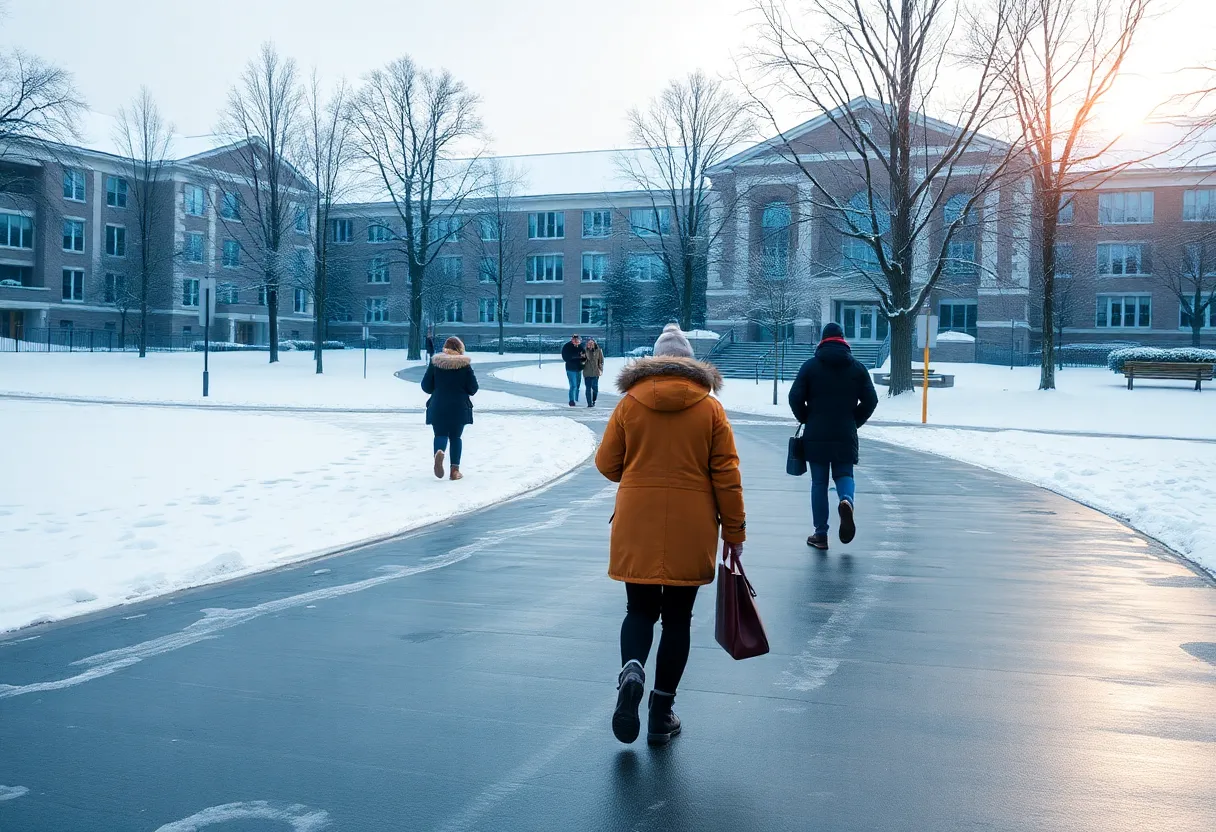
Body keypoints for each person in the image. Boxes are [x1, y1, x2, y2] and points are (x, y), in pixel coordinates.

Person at [596, 323, 746, 746]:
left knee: (639, 611)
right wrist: (734, 532)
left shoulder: (629, 405)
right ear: (691, 364)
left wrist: (639, 470)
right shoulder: (711, 409)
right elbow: (727, 476)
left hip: (637, 523)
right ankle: (661, 713)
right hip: (692, 526)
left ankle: (631, 670)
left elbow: (607, 464)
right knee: (678, 619)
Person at [788, 322, 878, 550]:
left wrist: (807, 417)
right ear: (843, 340)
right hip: (845, 431)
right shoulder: (857, 368)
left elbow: (794, 396)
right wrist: (854, 420)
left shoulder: (810, 367)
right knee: (844, 473)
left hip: (816, 431)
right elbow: (871, 400)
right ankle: (846, 500)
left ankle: (821, 534)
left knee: (819, 483)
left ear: (822, 340)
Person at [421, 336, 478, 481]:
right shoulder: (465, 365)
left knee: (440, 435)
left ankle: (439, 452)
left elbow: (426, 387)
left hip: (438, 406)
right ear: (460, 349)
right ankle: (454, 471)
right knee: (455, 437)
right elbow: (473, 389)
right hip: (459, 407)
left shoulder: (436, 363)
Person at [561, 333, 585, 407]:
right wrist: (577, 356)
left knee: (577, 385)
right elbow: (566, 357)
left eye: (577, 339)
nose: (575, 340)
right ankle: (572, 400)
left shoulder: (580, 347)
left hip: (579, 368)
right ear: (572, 339)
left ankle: (576, 399)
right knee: (573, 385)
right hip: (570, 369)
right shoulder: (567, 347)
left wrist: (583, 360)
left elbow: (584, 357)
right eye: (574, 339)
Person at [583, 337, 604, 407]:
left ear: (594, 343)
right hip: (587, 372)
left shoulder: (598, 350)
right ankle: (589, 403)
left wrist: (600, 369)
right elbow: (581, 361)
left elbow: (601, 361)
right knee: (588, 388)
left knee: (595, 388)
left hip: (595, 372)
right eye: (589, 343)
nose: (590, 344)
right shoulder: (584, 351)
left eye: (592, 343)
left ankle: (593, 400)